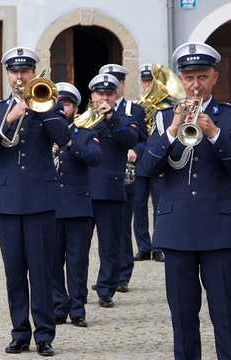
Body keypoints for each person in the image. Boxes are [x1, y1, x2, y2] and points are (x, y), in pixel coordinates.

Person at [137, 42, 231, 360]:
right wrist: (174, 129)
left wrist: (215, 133)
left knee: (226, 316)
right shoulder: (162, 119)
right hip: (176, 229)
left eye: (202, 76)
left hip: (218, 229)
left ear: (215, 76)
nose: (196, 84)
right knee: (183, 318)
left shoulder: (230, 117)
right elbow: (147, 169)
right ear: (180, 79)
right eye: (189, 78)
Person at [0, 46, 71, 357]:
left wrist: (42, 110)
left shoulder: (50, 102)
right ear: (8, 75)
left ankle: (45, 334)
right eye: (14, 72)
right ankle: (20, 332)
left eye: (25, 71)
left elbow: (62, 138)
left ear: (33, 73)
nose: (20, 76)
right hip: (6, 200)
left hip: (40, 199)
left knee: (41, 270)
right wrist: (10, 117)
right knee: (14, 271)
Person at [50, 82, 101, 328]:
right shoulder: (43, 132)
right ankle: (58, 306)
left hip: (78, 208)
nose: (61, 108)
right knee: (51, 261)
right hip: (49, 208)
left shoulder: (85, 133)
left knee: (77, 261)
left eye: (66, 104)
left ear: (75, 108)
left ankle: (77, 308)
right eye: (57, 103)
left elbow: (94, 158)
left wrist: (69, 141)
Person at [87, 73, 138, 306]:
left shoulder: (124, 120)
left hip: (110, 189)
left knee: (110, 244)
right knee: (76, 247)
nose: (104, 97)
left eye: (109, 94)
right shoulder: (82, 119)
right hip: (83, 190)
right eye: (100, 93)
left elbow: (129, 140)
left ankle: (106, 288)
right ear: (92, 96)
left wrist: (110, 118)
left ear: (116, 96)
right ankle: (76, 291)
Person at [133, 63, 165, 263]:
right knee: (139, 206)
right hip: (139, 162)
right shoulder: (136, 106)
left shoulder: (166, 106)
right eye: (145, 81)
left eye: (150, 81)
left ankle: (159, 246)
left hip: (159, 162)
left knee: (160, 205)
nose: (147, 85)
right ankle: (143, 246)